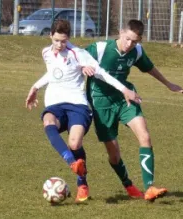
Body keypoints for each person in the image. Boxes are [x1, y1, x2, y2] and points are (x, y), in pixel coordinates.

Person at [25, 19, 141, 203]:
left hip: (77, 105)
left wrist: (124, 89)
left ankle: (82, 182)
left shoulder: (79, 53)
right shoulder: (46, 52)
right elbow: (54, 71)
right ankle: (74, 164)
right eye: (56, 40)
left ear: (68, 38)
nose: (59, 45)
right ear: (50, 37)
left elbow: (102, 73)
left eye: (63, 41)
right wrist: (35, 86)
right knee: (48, 122)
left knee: (75, 143)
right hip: (55, 104)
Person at [84, 19, 183, 202]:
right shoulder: (99, 49)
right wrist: (83, 66)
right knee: (114, 155)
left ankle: (149, 188)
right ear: (120, 33)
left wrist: (169, 84)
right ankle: (128, 184)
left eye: (135, 41)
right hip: (101, 104)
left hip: (126, 99)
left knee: (145, 136)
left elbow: (150, 68)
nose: (130, 44)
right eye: (128, 39)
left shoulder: (136, 51)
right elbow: (76, 58)